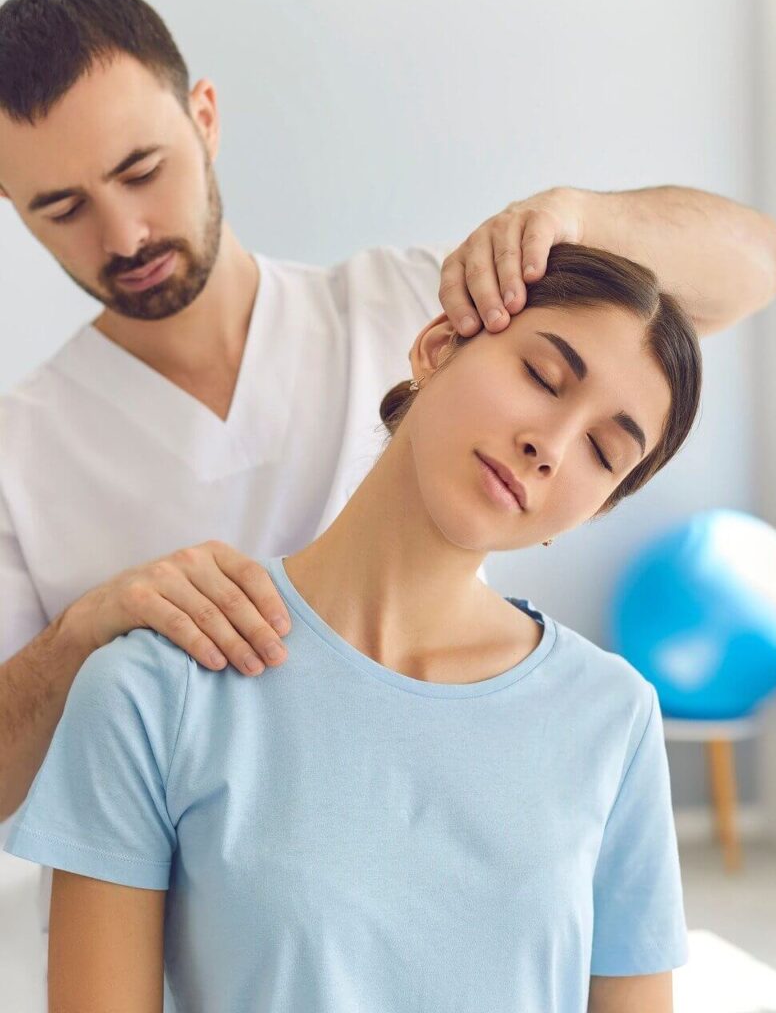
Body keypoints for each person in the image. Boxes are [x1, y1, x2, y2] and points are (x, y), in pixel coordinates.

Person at [0, 0, 776, 940]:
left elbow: (757, 263)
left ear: (203, 119)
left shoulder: (412, 304)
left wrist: (572, 216)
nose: (123, 235)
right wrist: (88, 631)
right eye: (62, 207)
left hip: (413, 898)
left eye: (142, 171)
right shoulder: (21, 451)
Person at [5, 241, 701, 1013]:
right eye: (541, 376)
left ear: (593, 510)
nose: (552, 446)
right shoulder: (156, 688)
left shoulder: (613, 716)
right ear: (438, 347)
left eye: (603, 453)